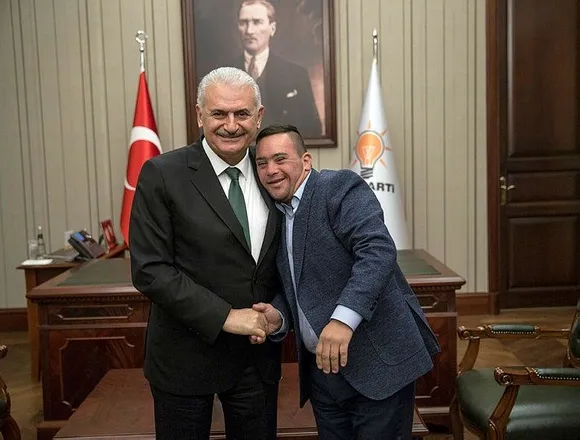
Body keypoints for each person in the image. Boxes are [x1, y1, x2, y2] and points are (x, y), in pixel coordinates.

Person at [252, 124, 441, 439]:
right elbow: (299, 284)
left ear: (306, 161)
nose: (271, 170)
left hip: (377, 366)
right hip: (324, 375)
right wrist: (279, 315)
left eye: (280, 159)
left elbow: (377, 251)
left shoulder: (337, 187)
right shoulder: (277, 213)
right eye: (262, 163)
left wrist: (343, 319)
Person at [129, 67, 283, 440]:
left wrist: (279, 311)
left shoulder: (274, 173)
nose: (231, 125)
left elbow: (287, 259)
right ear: (200, 115)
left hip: (256, 358)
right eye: (218, 114)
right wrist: (225, 316)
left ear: (258, 117)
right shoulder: (162, 174)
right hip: (184, 358)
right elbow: (150, 269)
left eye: (242, 113)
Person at [231, 0, 322, 138]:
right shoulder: (222, 74)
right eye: (243, 23)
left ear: (272, 29)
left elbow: (313, 129)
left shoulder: (297, 74)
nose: (249, 30)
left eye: (257, 22)